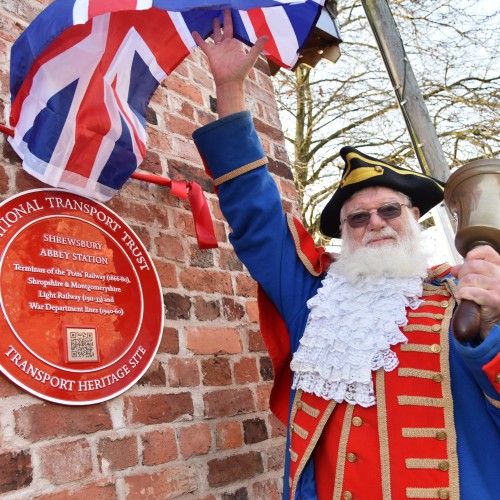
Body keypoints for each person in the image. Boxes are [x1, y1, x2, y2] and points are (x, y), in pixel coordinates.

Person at [192, 11, 500, 500]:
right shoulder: (317, 299)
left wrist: (491, 327)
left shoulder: (465, 296)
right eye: (358, 217)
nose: (375, 222)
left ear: (414, 216)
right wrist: (230, 90)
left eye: (388, 210)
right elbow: (258, 220)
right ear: (344, 232)